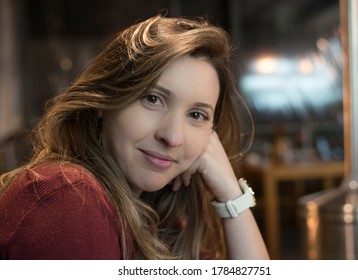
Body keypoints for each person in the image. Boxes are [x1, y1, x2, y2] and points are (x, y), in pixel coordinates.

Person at [0, 14, 269, 260]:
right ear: (104, 101)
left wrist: (232, 197)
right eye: (153, 99)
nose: (173, 136)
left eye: (197, 115)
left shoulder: (152, 215)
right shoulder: (68, 196)